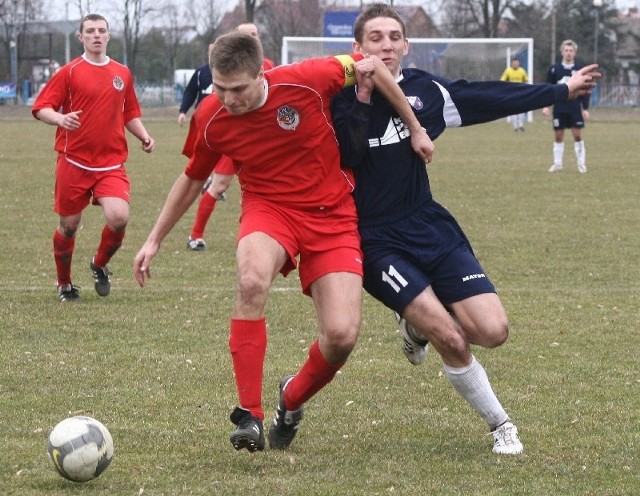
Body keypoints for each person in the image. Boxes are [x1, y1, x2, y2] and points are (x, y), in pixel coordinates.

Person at [133, 31, 433, 453]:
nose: (228, 98)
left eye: (237, 89)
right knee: (252, 280)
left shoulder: (309, 77)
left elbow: (372, 64)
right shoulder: (211, 115)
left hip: (333, 215)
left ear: (261, 73)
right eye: (219, 88)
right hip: (268, 209)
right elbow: (193, 178)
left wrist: (416, 129)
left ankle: (290, 399)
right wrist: (154, 240)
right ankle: (249, 414)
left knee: (342, 336)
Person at [330, 3, 598, 455]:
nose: (386, 45)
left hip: (429, 223)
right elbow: (343, 152)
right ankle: (501, 424)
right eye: (375, 38)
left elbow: (489, 97)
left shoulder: (426, 92)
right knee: (450, 336)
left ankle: (415, 327)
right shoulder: (334, 100)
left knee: (492, 331)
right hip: (375, 240)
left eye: (395, 37)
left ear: (406, 45)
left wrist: (559, 90)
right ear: (356, 47)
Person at [32, 13, 155, 302]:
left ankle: (99, 264)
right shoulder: (69, 72)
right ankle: (64, 284)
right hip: (73, 160)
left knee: (119, 217)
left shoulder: (122, 73)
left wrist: (145, 136)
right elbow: (41, 107)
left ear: (108, 36)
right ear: (81, 37)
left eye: (101, 30)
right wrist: (60, 119)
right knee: (69, 226)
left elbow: (129, 112)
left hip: (111, 163)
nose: (96, 35)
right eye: (90, 31)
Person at [183, 22, 276, 251]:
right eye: (247, 35)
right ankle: (196, 235)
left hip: (262, 141)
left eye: (255, 34)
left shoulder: (269, 66)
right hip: (234, 138)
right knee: (219, 185)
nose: (253, 38)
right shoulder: (225, 71)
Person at [543, 40, 591, 173]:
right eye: (566, 50)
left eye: (571, 51)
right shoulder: (554, 69)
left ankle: (581, 163)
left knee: (576, 135)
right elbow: (548, 88)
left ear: (574, 53)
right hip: (559, 108)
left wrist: (585, 108)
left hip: (574, 108)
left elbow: (585, 90)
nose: (568, 53)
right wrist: (546, 106)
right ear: (562, 52)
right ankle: (558, 164)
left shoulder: (580, 70)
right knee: (558, 135)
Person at [500, 57, 529, 132]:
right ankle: (515, 126)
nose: (515, 64)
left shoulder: (522, 71)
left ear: (519, 63)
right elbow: (502, 81)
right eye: (514, 63)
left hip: (520, 93)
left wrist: (525, 90)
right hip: (511, 93)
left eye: (517, 62)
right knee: (512, 109)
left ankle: (521, 125)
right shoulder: (508, 71)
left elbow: (526, 81)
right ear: (512, 63)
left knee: (521, 109)